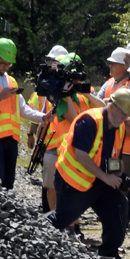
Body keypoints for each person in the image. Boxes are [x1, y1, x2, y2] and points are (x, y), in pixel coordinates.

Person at [50, 87, 130, 259]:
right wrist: (106, 177)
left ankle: (109, 252)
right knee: (61, 218)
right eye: (122, 114)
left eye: (127, 115)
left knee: (119, 206)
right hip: (73, 180)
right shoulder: (89, 121)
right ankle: (30, 231)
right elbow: (80, 156)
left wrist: (121, 176)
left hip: (98, 181)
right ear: (112, 107)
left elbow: (115, 158)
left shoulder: (118, 128)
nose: (124, 119)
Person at [0, 37, 52, 189]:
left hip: (11, 137)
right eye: (2, 63)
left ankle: (7, 209)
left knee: (9, 180)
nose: (5, 67)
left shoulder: (11, 81)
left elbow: (22, 109)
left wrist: (43, 117)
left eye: (9, 64)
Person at [38, 54, 104, 212]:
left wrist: (85, 91)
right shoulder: (58, 96)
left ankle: (73, 225)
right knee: (53, 187)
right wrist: (67, 96)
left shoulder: (83, 93)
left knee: (73, 188)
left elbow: (102, 108)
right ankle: (54, 220)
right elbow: (75, 117)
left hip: (75, 148)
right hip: (56, 148)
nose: (74, 81)